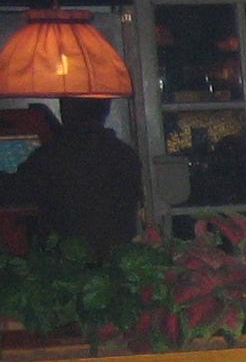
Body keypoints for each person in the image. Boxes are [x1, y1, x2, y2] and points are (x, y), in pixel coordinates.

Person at [0, 96, 143, 255]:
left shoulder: (53, 155)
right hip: (119, 259)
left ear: (66, 109)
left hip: (67, 262)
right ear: (106, 108)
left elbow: (13, 192)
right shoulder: (125, 154)